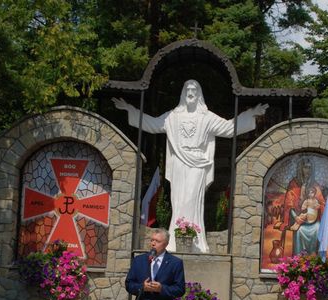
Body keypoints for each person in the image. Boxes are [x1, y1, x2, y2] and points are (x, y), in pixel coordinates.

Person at [113, 80, 268, 253]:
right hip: (179, 161)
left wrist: (251, 115)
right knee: (178, 200)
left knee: (192, 199)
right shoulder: (173, 116)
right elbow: (153, 124)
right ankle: (174, 240)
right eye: (188, 89)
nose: (191, 92)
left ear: (199, 93)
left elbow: (228, 128)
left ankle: (195, 241)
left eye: (194, 89)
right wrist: (130, 110)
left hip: (198, 163)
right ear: (183, 93)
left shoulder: (207, 117)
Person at [276, 157, 326, 255]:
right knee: (299, 231)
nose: (308, 170)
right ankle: (298, 259)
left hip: (313, 221)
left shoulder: (315, 185)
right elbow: (288, 206)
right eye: (305, 167)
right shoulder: (293, 184)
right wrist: (296, 217)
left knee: (318, 228)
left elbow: (322, 203)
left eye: (310, 168)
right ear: (300, 169)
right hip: (298, 220)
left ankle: (314, 258)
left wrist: (318, 206)